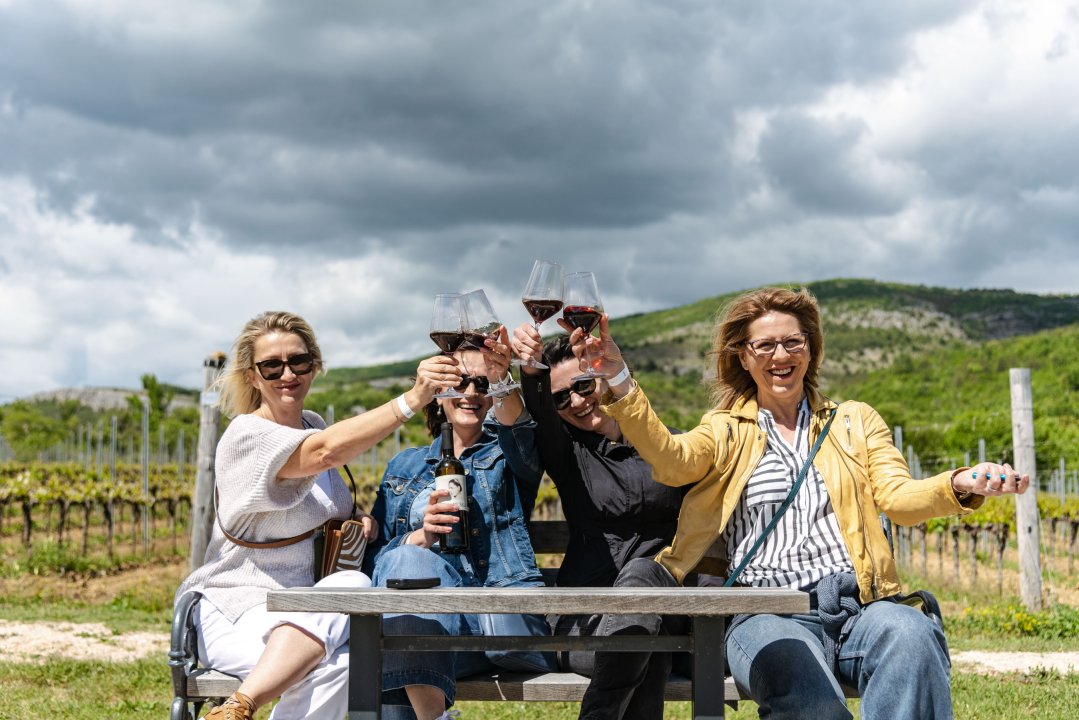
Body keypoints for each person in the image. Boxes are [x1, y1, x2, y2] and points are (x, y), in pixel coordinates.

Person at [563, 287, 1030, 720]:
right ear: (743, 358)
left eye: (793, 341)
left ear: (811, 347)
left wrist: (959, 483)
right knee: (808, 696)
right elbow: (672, 459)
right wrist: (619, 379)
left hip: (860, 608)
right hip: (764, 613)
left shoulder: (855, 421)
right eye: (763, 346)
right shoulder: (726, 429)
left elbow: (899, 498)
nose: (780, 355)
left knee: (911, 637)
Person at [176, 311, 457, 720]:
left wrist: (356, 522)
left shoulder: (312, 424)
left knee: (343, 652)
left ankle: (234, 710)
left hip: (310, 610)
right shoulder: (245, 435)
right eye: (271, 365)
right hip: (235, 605)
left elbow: (311, 497)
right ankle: (241, 706)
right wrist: (412, 400)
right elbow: (324, 452)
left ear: (314, 366)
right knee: (345, 617)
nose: (287, 373)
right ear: (252, 377)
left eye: (298, 361)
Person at [365, 328, 558, 720]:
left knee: (398, 637)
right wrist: (420, 537)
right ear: (438, 391)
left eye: (482, 383)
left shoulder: (509, 455)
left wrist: (503, 377)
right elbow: (375, 564)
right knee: (407, 572)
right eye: (459, 382)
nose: (471, 392)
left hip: (487, 625)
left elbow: (518, 428)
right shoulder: (403, 466)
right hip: (421, 627)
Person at [510, 327, 688, 688]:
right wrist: (529, 373)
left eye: (583, 386)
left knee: (642, 608)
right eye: (561, 398)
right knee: (643, 643)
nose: (575, 402)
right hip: (586, 618)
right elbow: (540, 414)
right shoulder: (566, 453)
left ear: (605, 376)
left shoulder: (665, 443)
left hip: (667, 608)